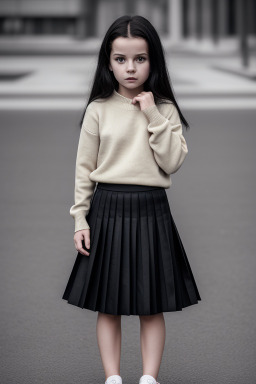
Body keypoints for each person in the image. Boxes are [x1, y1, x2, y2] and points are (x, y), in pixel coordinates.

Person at [62, 14, 201, 384]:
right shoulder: (98, 109)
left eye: (140, 58)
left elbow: (172, 161)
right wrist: (80, 219)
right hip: (106, 208)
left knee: (150, 304)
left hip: (152, 209)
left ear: (153, 60)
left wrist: (151, 112)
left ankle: (149, 378)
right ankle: (112, 378)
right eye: (120, 59)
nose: (130, 68)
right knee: (108, 305)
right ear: (107, 62)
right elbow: (83, 170)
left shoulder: (165, 109)